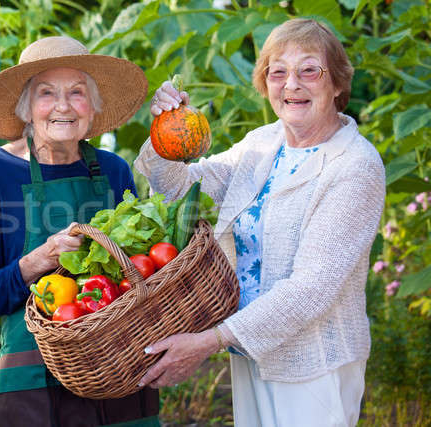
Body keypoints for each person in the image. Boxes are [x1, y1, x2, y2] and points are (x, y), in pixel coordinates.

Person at [134, 18, 385, 427]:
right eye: (278, 72)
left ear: (337, 83)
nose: (292, 85)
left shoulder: (354, 166)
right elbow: (180, 187)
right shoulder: (262, 144)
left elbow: (310, 290)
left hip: (313, 364)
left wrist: (207, 342)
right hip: (249, 353)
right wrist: (164, 129)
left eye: (310, 70)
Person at [0, 36, 159, 426]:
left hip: (118, 370)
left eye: (77, 92)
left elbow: (142, 273)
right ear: (26, 108)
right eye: (47, 93)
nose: (63, 106)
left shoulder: (114, 170)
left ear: (93, 105)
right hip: (32, 381)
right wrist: (38, 261)